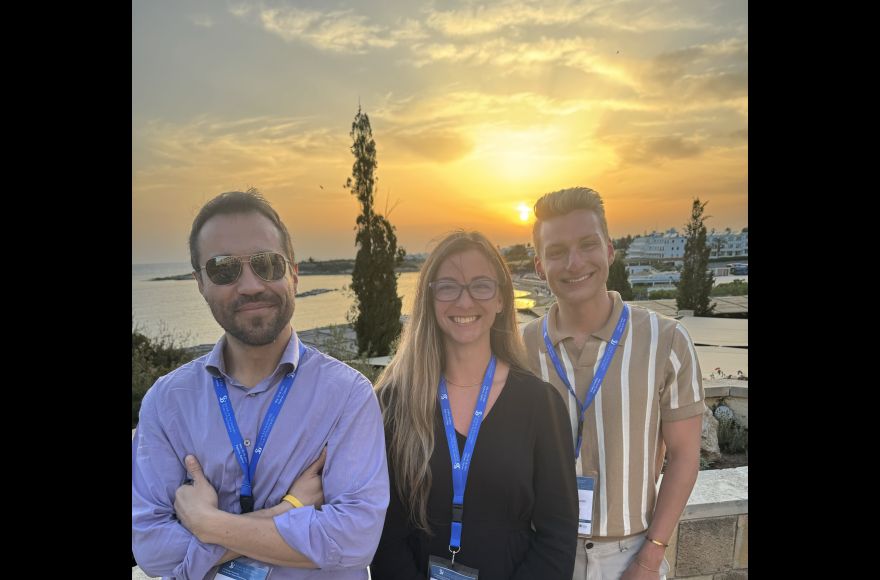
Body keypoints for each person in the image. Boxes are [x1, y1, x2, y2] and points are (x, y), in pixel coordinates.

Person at [132, 189, 389, 579]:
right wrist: (289, 509)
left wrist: (206, 523)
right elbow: (152, 549)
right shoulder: (167, 403)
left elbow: (354, 540)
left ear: (294, 273)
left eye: (267, 264)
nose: (250, 285)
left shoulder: (347, 395)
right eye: (223, 269)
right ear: (200, 283)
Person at [370, 231, 578, 579]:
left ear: (501, 300)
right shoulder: (393, 403)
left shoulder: (540, 405)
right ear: (430, 299)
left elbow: (558, 535)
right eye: (448, 286)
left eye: (481, 285)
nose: (464, 301)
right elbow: (384, 534)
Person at [523, 187, 704, 580]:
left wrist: (650, 558)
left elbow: (684, 457)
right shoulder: (519, 349)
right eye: (557, 251)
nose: (574, 263)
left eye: (587, 244)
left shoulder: (666, 341)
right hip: (543, 552)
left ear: (609, 250)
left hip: (631, 555)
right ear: (539, 265)